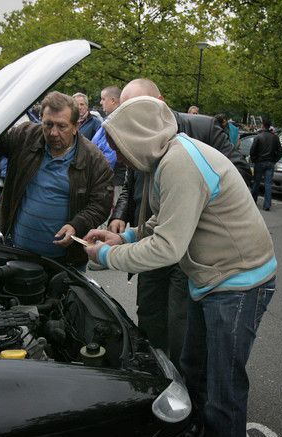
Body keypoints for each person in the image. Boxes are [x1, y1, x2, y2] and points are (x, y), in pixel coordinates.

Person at [83, 96, 277, 437]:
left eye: (119, 146)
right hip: (212, 279)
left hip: (238, 284)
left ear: (138, 137)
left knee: (224, 388)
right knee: (193, 368)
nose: (118, 156)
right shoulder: (168, 157)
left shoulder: (179, 163)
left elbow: (167, 248)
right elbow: (165, 221)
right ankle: (199, 428)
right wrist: (125, 237)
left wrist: (104, 257)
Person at [107, 78, 251, 370]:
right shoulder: (135, 138)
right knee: (148, 311)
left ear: (158, 100)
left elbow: (240, 173)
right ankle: (153, 372)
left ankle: (180, 380)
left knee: (179, 320)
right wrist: (121, 218)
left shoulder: (202, 129)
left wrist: (192, 199)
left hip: (186, 246)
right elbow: (131, 182)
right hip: (152, 235)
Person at [0, 82, 113, 271]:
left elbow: (101, 204)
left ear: (76, 126)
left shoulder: (94, 159)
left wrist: (76, 225)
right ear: (41, 119)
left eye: (62, 126)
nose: (53, 133)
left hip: (65, 263)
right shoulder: (25, 136)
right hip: (17, 252)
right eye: (48, 124)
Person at [250, 118, 282, 211]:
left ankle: (253, 201)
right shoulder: (275, 137)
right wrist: (274, 160)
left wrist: (254, 160)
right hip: (270, 163)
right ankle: (267, 205)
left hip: (259, 162)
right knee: (268, 184)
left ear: (263, 125)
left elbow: (252, 151)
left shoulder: (258, 136)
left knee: (256, 182)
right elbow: (280, 152)